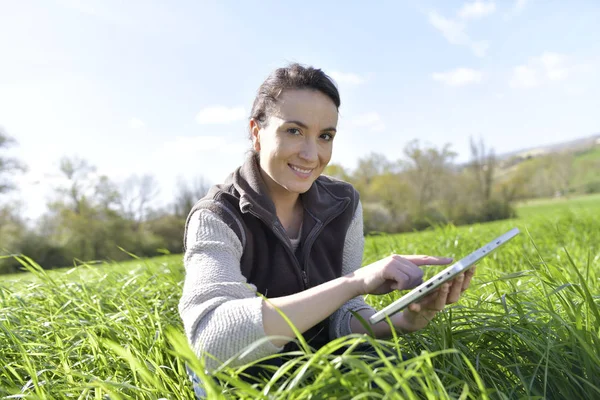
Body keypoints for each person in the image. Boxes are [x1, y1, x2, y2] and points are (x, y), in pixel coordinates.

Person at [178, 63, 475, 396]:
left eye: (325, 136)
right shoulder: (216, 216)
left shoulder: (343, 203)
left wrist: (404, 321)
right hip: (243, 376)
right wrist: (353, 283)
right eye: (293, 131)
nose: (311, 154)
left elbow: (342, 316)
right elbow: (213, 341)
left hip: (321, 360)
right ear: (256, 132)